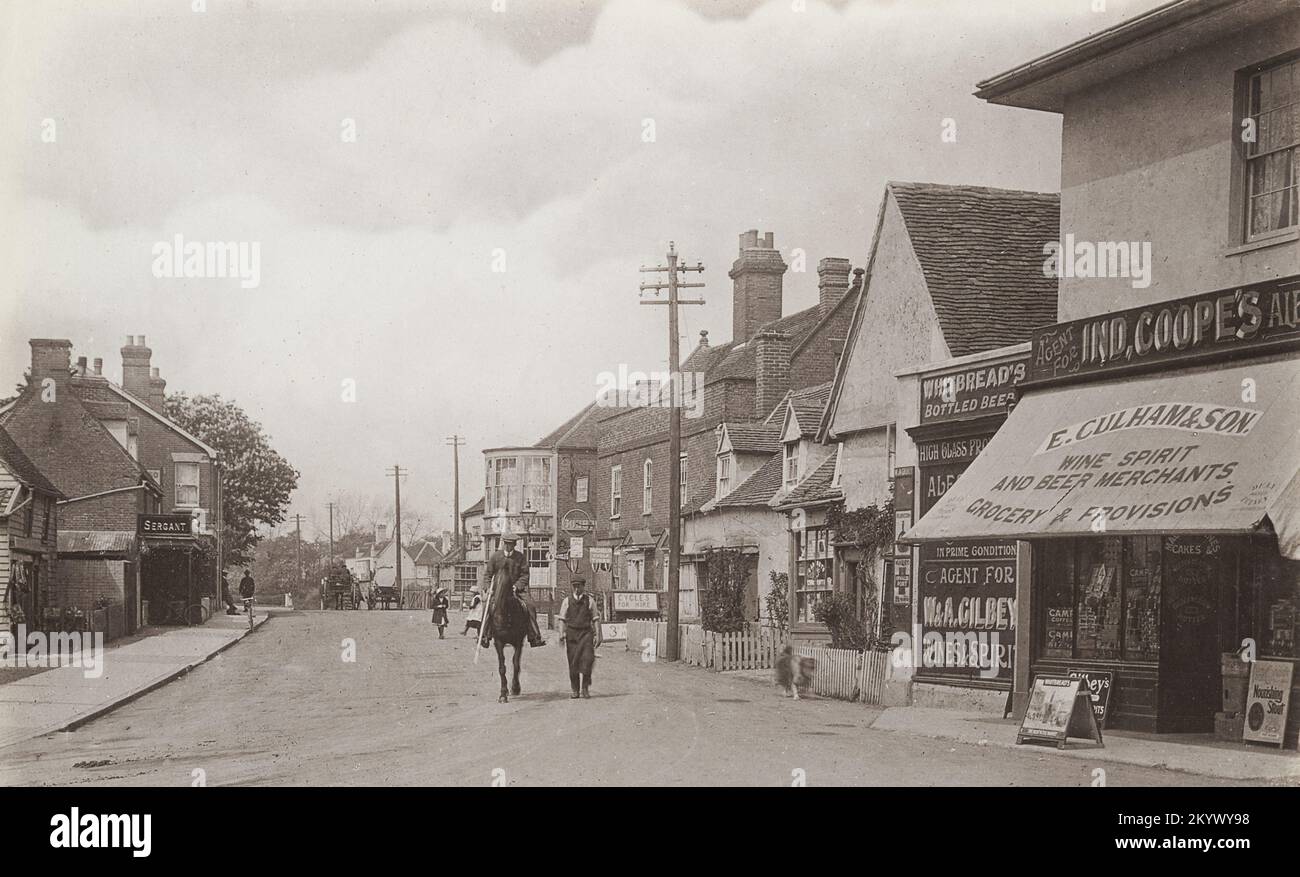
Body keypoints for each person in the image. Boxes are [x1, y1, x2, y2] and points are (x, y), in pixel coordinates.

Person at [481, 532, 544, 647]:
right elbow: (487, 575)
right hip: (497, 591)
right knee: (487, 606)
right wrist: (488, 587)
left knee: (530, 606)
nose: (508, 547)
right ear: (503, 544)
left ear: (514, 545)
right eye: (507, 544)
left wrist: (517, 586)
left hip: (517, 591)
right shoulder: (495, 557)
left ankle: (534, 636)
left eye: (511, 545)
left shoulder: (520, 557)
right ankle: (485, 636)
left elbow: (525, 575)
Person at [557, 577, 601, 699]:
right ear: (572, 587)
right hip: (571, 635)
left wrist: (599, 635)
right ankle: (575, 689)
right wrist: (561, 634)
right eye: (574, 586)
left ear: (583, 587)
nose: (577, 589)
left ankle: (585, 688)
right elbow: (562, 619)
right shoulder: (567, 601)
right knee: (573, 662)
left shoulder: (590, 601)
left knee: (588, 660)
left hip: (586, 634)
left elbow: (595, 619)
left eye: (579, 586)